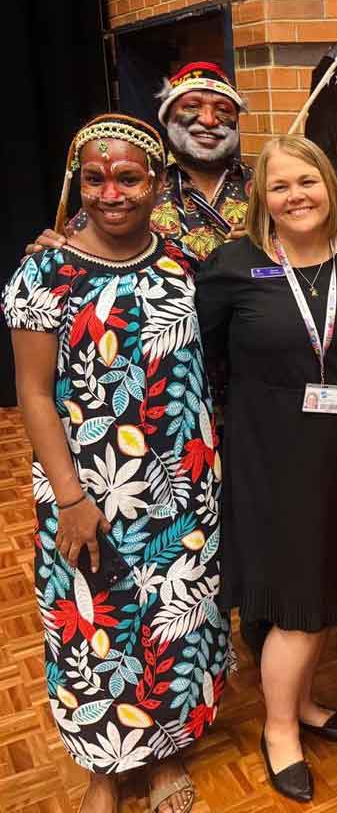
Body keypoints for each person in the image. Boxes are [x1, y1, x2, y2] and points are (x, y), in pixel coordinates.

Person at [3, 115, 230, 813]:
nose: (111, 193)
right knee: (92, 625)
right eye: (95, 178)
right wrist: (71, 498)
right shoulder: (45, 270)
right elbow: (34, 394)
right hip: (87, 489)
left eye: (128, 177)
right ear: (79, 183)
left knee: (174, 620)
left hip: (184, 486)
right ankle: (104, 769)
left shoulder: (186, 264)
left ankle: (164, 756)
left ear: (157, 183)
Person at [194, 135, 337, 803]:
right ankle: (279, 729)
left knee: (326, 586)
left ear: (331, 188)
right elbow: (185, 345)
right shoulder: (232, 267)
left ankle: (303, 704)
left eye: (307, 181)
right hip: (269, 453)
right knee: (299, 603)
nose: (295, 196)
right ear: (262, 201)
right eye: (279, 187)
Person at [30, 61, 252, 263]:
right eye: (192, 106)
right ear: (168, 117)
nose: (208, 120)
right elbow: (77, 249)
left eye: (223, 110)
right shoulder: (138, 184)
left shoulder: (265, 187)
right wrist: (51, 256)